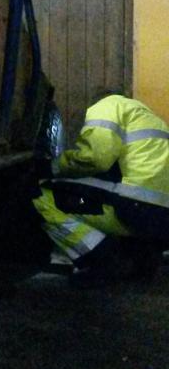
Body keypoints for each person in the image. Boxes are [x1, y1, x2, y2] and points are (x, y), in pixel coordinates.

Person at [33, 93, 169, 283]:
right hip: (162, 219)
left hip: (136, 210)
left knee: (42, 194)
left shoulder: (108, 105)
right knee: (110, 192)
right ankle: (143, 259)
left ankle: (103, 260)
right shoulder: (149, 117)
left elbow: (95, 159)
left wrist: (51, 167)